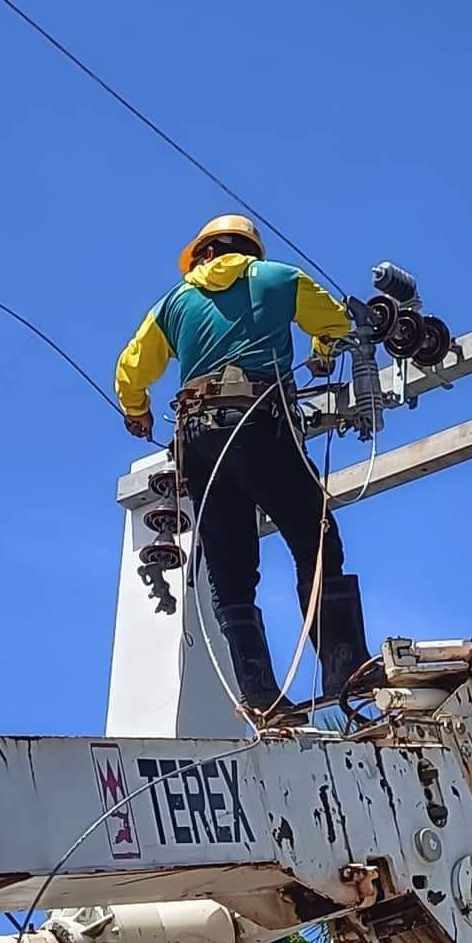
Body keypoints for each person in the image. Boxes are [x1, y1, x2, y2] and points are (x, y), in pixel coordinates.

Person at [114, 214, 369, 716]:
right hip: (260, 423)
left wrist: (137, 410)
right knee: (315, 539)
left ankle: (258, 694)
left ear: (204, 253)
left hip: (199, 442)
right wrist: (320, 352)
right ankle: (344, 666)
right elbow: (338, 325)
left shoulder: (174, 303)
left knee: (232, 570)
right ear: (249, 251)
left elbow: (131, 366)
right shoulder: (279, 278)